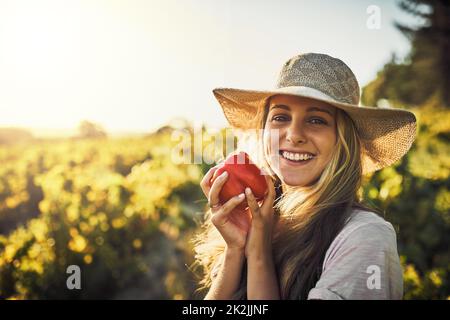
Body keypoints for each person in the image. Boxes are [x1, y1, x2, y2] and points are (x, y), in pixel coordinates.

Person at [192, 53, 417, 300]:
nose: (294, 134)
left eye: (316, 120)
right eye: (280, 117)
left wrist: (258, 255)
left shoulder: (364, 236)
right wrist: (235, 250)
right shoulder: (256, 216)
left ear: (343, 141)